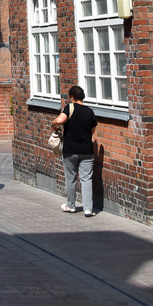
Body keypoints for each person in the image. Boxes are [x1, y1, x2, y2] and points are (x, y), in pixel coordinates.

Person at [52, 85, 98, 216]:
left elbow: (60, 120)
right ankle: (88, 209)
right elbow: (93, 131)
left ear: (72, 97)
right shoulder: (89, 111)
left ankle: (71, 206)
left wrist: (53, 124)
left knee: (70, 178)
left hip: (70, 150)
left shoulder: (69, 108)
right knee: (86, 179)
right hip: (87, 151)